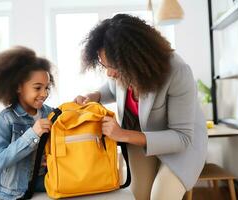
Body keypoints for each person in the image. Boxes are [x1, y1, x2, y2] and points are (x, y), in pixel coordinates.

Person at [74, 14, 208, 200]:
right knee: (139, 196)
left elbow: (181, 137)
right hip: (139, 138)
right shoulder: (122, 69)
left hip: (181, 145)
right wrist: (95, 96)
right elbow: (113, 88)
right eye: (103, 64)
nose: (109, 73)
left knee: (161, 197)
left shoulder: (177, 71)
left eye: (112, 66)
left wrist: (122, 134)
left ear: (135, 60)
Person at [0, 46, 54, 200]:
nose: (44, 94)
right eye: (37, 88)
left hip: (42, 181)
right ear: (18, 87)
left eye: (47, 88)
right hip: (12, 189)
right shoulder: (6, 119)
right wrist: (32, 135)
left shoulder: (49, 113)